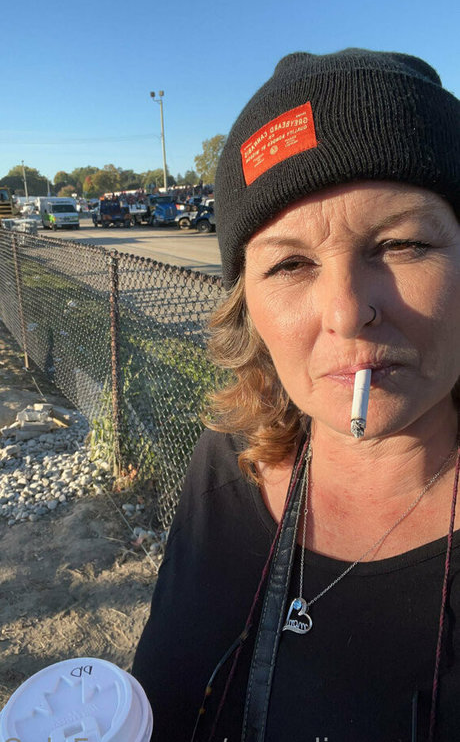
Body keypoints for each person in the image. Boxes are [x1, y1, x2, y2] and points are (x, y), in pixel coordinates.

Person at [132, 48, 460, 742]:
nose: (346, 313)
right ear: (247, 305)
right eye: (290, 263)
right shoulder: (230, 459)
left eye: (401, 245)